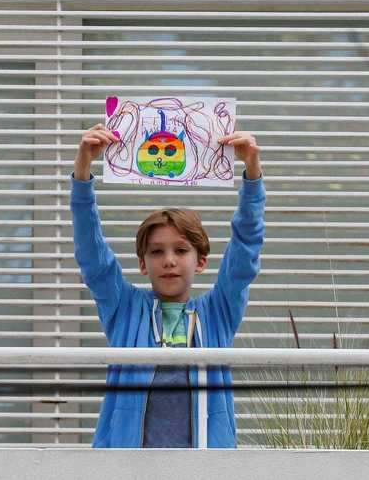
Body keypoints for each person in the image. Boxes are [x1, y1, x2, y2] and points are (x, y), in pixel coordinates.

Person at [70, 123, 265, 448]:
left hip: (205, 470)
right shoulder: (124, 308)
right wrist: (82, 172)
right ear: (143, 264)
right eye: (157, 251)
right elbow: (93, 257)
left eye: (181, 250)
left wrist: (252, 173)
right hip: (127, 469)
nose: (169, 260)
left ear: (201, 261)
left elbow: (245, 251)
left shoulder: (218, 312)